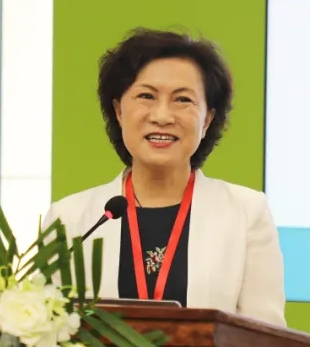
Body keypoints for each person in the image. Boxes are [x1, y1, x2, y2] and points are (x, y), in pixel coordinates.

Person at [42, 28, 286, 327]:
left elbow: (265, 338)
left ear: (207, 120)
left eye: (182, 99)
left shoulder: (246, 213)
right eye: (146, 96)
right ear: (119, 111)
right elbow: (47, 333)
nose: (162, 116)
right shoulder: (69, 219)